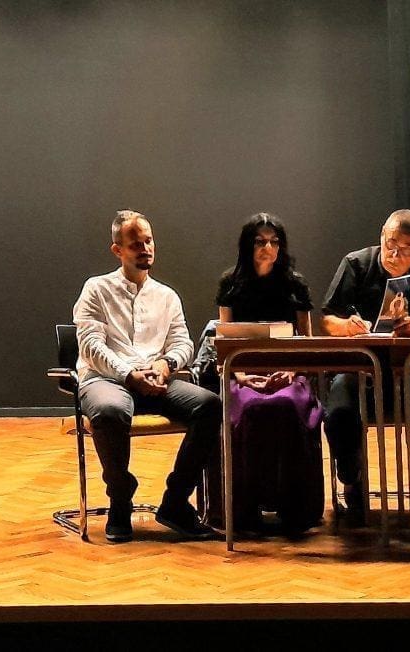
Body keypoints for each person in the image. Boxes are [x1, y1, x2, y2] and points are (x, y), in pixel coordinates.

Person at [73, 210, 221, 543]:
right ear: (117, 250)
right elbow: (91, 346)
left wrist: (167, 364)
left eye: (149, 241)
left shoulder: (166, 296)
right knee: (110, 410)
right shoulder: (96, 289)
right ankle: (120, 500)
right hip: (106, 380)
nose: (145, 249)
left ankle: (175, 502)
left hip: (156, 379)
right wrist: (128, 374)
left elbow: (182, 342)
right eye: (135, 244)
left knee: (210, 405)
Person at [320, 209, 410, 540]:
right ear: (382, 235)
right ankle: (352, 478)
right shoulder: (356, 263)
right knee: (339, 413)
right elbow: (327, 319)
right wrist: (347, 327)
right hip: (358, 370)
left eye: (407, 249)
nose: (396, 253)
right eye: (391, 244)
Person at [208, 213, 323, 532]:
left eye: (274, 242)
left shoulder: (295, 284)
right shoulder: (230, 283)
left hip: (289, 372)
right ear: (248, 245)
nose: (267, 248)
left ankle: (293, 508)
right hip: (242, 372)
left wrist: (291, 370)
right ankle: (246, 509)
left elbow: (307, 342)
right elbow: (225, 341)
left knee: (287, 404)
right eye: (260, 241)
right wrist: (241, 376)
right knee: (249, 407)